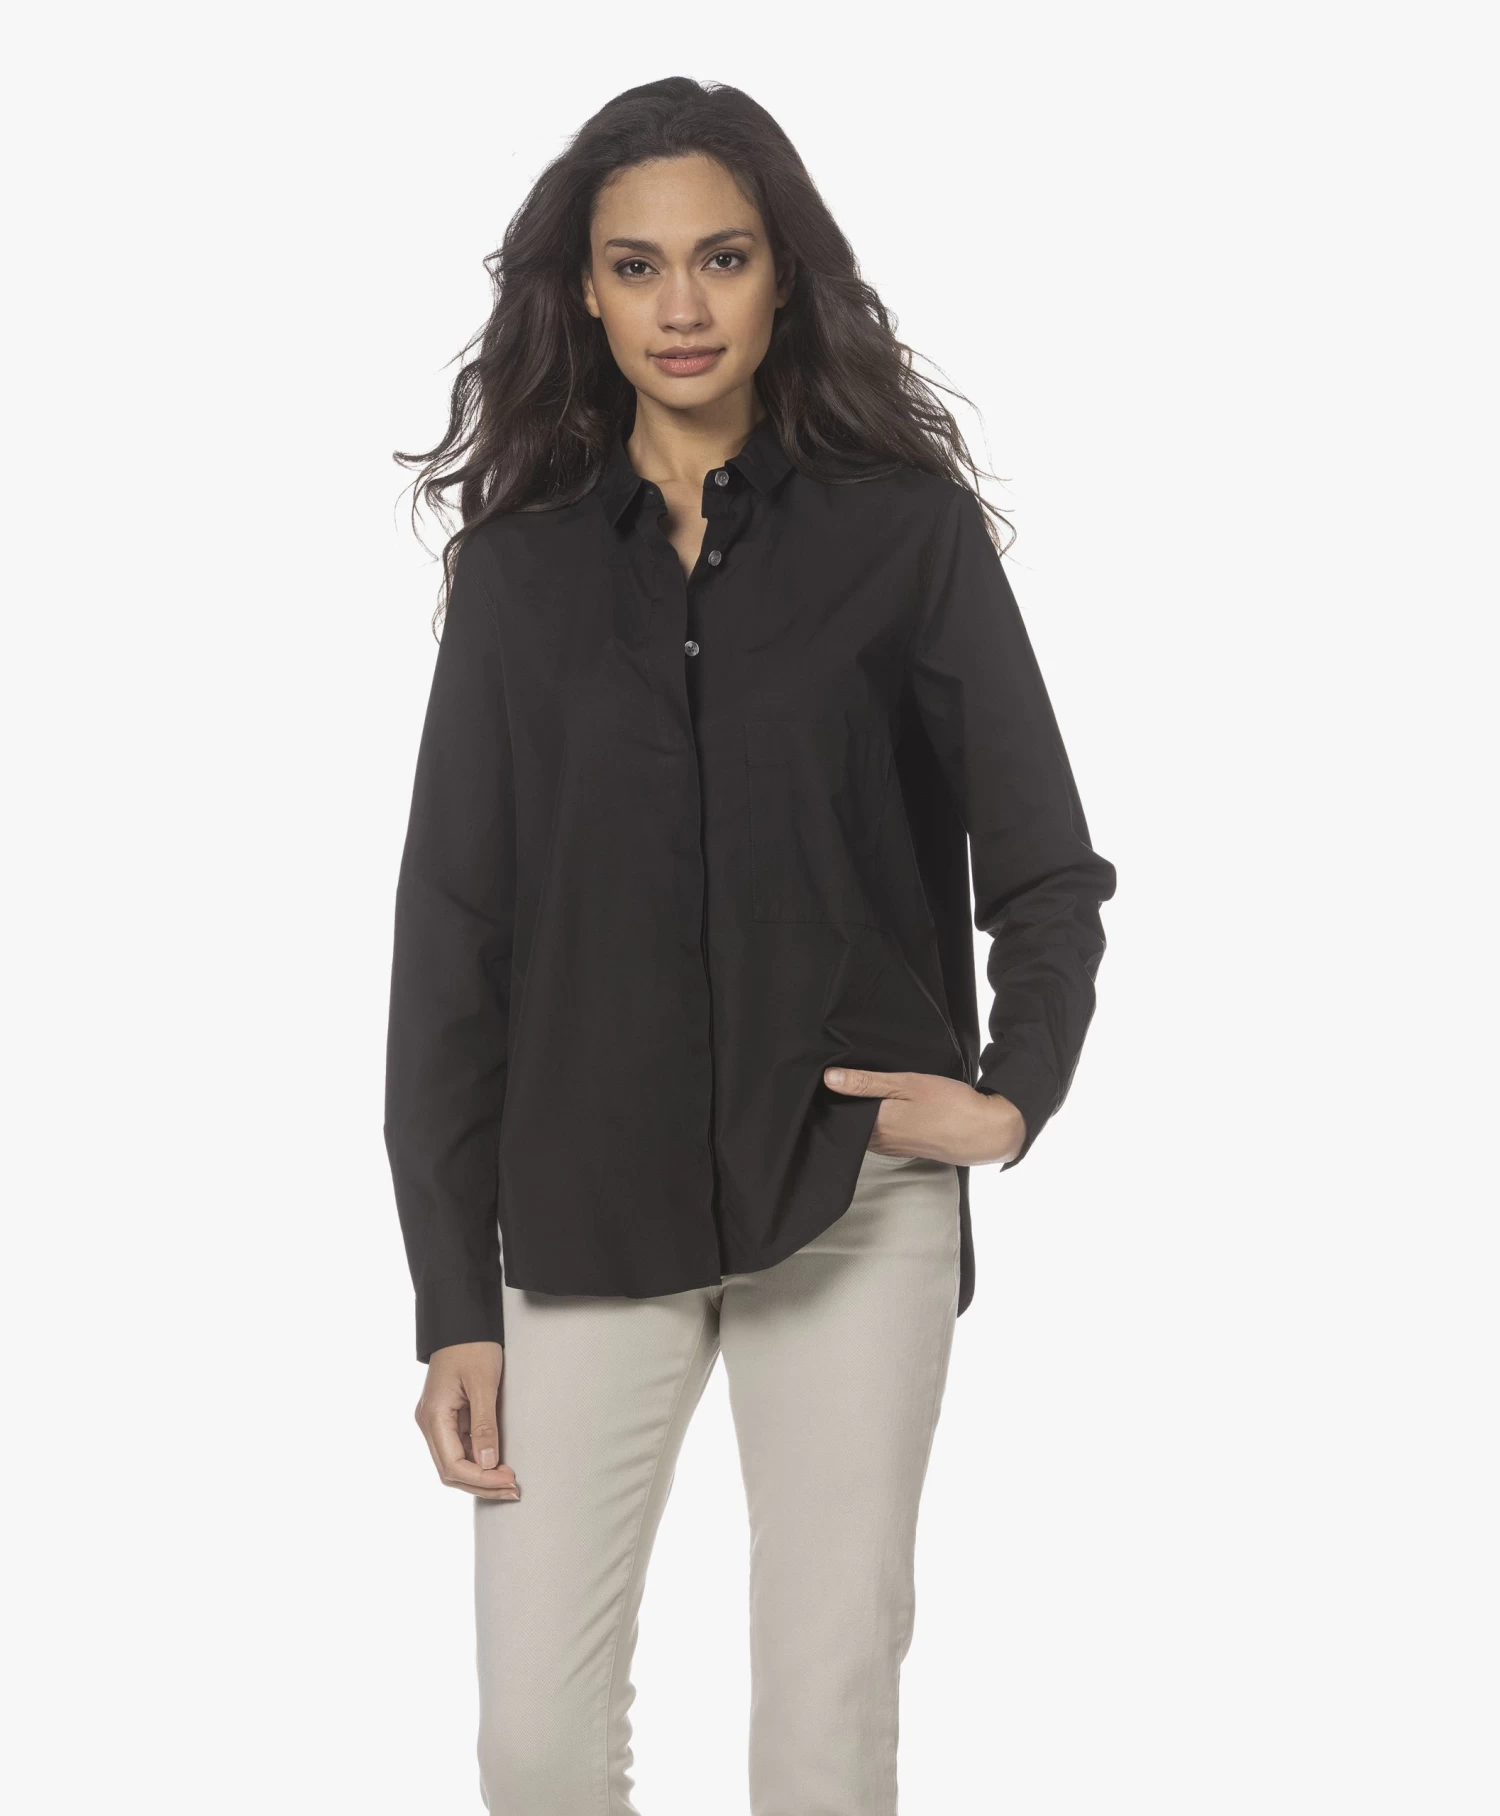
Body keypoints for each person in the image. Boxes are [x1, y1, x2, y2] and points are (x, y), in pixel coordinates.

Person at [383, 76, 1116, 1815]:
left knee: (823, 1727)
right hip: (582, 1207)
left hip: (849, 1194)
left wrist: (1010, 1097)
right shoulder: (522, 578)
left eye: (721, 258)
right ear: (586, 293)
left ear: (785, 270)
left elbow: (1046, 870)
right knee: (536, 1748)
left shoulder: (905, 537)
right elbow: (452, 944)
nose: (683, 306)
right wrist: (451, 1300)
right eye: (638, 267)